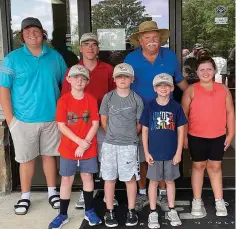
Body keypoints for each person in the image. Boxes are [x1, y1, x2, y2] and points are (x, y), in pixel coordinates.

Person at [0, 17, 67, 215]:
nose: (32, 34)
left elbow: (66, 85)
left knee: (49, 157)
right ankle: (25, 196)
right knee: (26, 159)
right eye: (27, 31)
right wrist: (11, 120)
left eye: (36, 30)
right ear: (22, 35)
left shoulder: (55, 57)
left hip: (51, 118)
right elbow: (4, 89)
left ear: (42, 33)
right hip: (23, 119)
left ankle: (52, 193)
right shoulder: (12, 58)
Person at [124, 20, 188, 212]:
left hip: (166, 114)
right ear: (140, 41)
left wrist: (196, 94)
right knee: (144, 157)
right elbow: (123, 85)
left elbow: (180, 82)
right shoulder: (131, 59)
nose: (152, 41)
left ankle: (161, 195)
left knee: (164, 154)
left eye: (155, 37)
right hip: (138, 115)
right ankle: (143, 193)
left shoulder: (169, 56)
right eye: (147, 38)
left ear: (160, 40)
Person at [61, 32, 117, 208]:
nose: (90, 48)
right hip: (79, 124)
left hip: (103, 121)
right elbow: (65, 97)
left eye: (94, 44)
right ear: (81, 48)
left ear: (98, 48)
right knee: (83, 159)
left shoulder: (108, 69)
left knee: (105, 158)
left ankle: (109, 193)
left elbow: (115, 96)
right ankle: (87, 194)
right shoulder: (73, 71)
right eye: (86, 44)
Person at [48, 64, 102, 229]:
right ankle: (63, 214)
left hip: (88, 147)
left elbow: (95, 123)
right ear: (69, 79)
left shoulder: (91, 99)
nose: (79, 80)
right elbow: (61, 125)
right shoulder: (63, 100)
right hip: (69, 148)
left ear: (87, 82)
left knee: (87, 177)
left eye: (83, 78)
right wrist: (80, 143)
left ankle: (89, 210)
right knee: (67, 179)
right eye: (76, 77)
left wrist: (85, 144)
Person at [182, 56, 235, 217]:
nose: (206, 72)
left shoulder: (223, 89)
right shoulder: (191, 90)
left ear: (214, 71)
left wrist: (231, 132)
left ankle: (219, 200)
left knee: (215, 167)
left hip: (218, 135)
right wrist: (184, 136)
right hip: (196, 135)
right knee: (198, 167)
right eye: (202, 69)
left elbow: (230, 112)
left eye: (209, 69)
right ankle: (197, 200)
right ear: (196, 72)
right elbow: (183, 114)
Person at [140, 73, 187, 228]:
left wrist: (179, 152)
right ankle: (153, 212)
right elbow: (145, 131)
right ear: (155, 88)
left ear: (172, 88)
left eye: (166, 85)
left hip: (171, 153)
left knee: (169, 181)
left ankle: (172, 209)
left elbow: (181, 131)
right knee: (153, 182)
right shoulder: (150, 107)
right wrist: (146, 152)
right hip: (153, 153)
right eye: (160, 86)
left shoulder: (176, 107)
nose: (163, 88)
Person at [100, 63, 143, 227]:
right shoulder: (108, 97)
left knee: (130, 179)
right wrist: (112, 134)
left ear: (132, 79)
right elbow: (104, 120)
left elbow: (139, 123)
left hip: (129, 146)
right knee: (109, 179)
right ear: (114, 79)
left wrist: (131, 136)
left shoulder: (136, 98)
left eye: (126, 76)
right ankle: (109, 210)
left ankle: (131, 210)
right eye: (119, 76)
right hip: (110, 144)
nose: (122, 79)